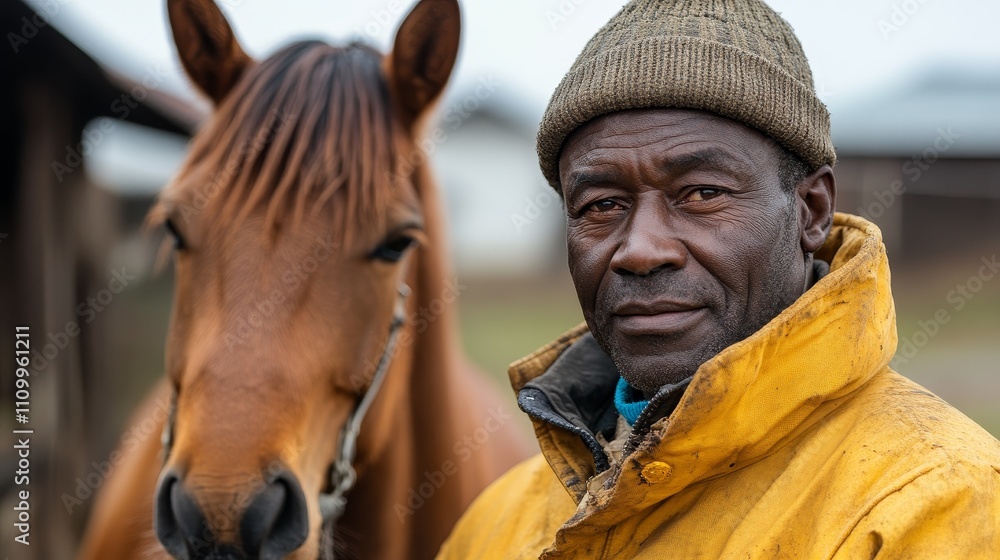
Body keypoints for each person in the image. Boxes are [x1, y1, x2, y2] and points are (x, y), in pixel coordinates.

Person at [436, 0, 1000, 558]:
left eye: (703, 194)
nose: (640, 250)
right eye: (602, 204)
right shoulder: (496, 524)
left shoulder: (934, 504)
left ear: (811, 210)